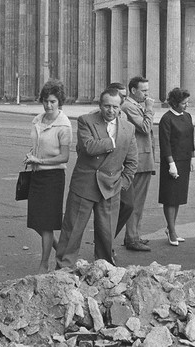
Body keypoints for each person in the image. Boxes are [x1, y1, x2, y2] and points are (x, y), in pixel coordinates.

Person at [55, 88, 138, 268]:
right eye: (107, 106)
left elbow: (132, 162)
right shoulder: (86, 121)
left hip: (110, 188)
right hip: (84, 186)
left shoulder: (128, 128)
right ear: (100, 106)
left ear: (120, 108)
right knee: (72, 232)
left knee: (106, 235)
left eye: (115, 107)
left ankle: (104, 270)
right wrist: (113, 141)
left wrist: (121, 184)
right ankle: (62, 271)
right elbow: (89, 147)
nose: (111, 110)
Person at [23, 80, 72, 273]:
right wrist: (31, 156)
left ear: (59, 102)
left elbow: (65, 156)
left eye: (52, 101)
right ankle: (60, 248)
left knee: (46, 223)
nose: (48, 105)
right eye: (45, 101)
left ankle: (44, 263)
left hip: (53, 177)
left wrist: (40, 161)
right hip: (36, 176)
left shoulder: (64, 125)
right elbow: (36, 146)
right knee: (36, 220)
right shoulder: (37, 120)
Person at [115, 77, 154, 252]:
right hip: (138, 160)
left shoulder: (135, 106)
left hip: (144, 159)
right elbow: (145, 128)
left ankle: (135, 234)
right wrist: (150, 109)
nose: (147, 94)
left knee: (139, 201)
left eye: (147, 90)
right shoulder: (129, 107)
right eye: (143, 91)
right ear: (133, 90)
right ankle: (131, 237)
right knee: (135, 201)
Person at [159, 88, 195, 246]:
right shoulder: (166, 119)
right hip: (172, 162)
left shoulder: (187, 116)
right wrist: (171, 164)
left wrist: (193, 157)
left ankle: (171, 228)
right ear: (174, 103)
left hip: (185, 160)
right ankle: (172, 231)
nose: (186, 106)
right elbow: (165, 143)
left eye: (187, 103)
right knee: (170, 197)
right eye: (183, 103)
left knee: (178, 197)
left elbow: (190, 138)